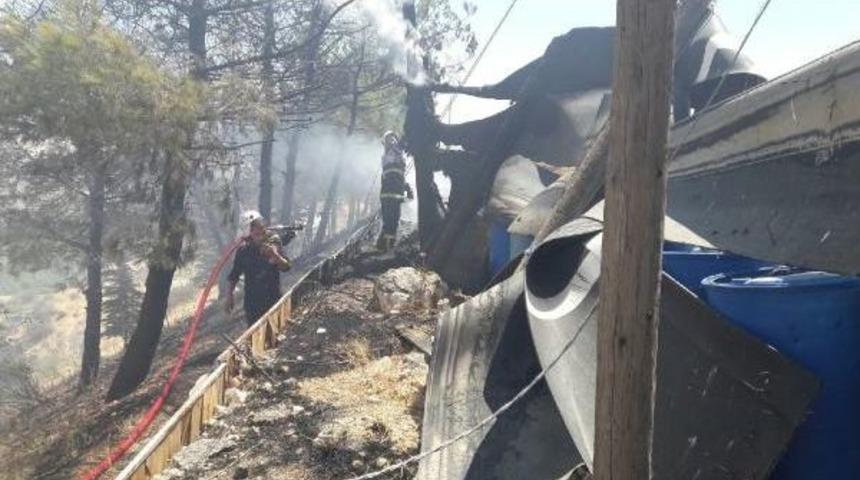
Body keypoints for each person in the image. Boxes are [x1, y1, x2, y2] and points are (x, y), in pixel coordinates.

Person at [225, 211, 292, 326]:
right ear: (249, 233)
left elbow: (286, 267)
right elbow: (234, 275)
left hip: (273, 299)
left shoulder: (273, 244)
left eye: (262, 232)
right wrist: (229, 296)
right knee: (254, 337)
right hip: (253, 304)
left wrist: (275, 256)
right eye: (256, 234)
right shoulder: (243, 252)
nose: (260, 237)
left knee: (275, 337)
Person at [377, 131, 413, 251]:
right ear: (386, 142)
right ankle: (387, 248)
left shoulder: (390, 156)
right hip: (391, 193)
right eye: (390, 139)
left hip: (391, 193)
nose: (392, 141)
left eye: (393, 138)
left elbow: (398, 175)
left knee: (390, 221)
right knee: (391, 221)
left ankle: (382, 245)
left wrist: (407, 187)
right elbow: (402, 142)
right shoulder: (392, 152)